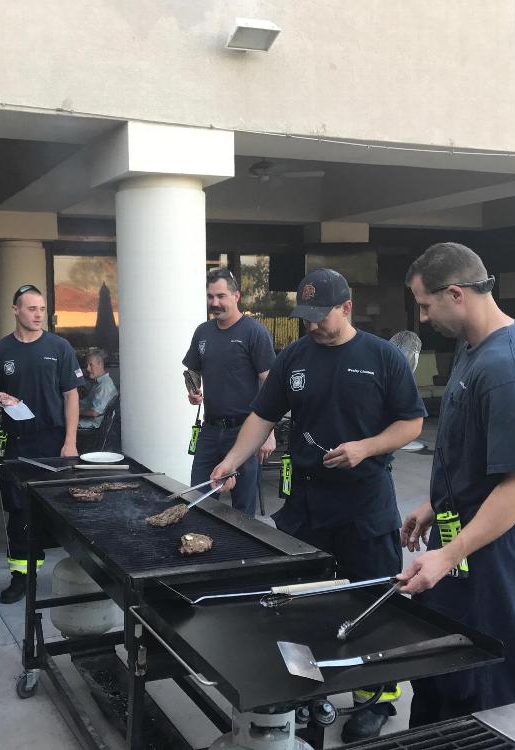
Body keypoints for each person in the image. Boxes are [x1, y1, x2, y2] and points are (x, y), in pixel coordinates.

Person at [210, 268, 426, 741]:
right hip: (308, 502)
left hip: (365, 501)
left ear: (346, 308)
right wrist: (231, 461)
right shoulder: (295, 357)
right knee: (303, 601)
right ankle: (310, 689)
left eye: (320, 315)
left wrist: (366, 447)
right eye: (305, 316)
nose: (311, 324)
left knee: (372, 600)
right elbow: (262, 415)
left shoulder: (382, 356)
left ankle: (375, 698)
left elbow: (411, 423)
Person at [397, 242, 515, 725]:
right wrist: (434, 503)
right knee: (443, 675)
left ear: (456, 293)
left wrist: (448, 554)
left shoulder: (506, 367)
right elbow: (478, 455)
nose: (423, 318)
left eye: (426, 305)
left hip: (488, 559)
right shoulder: (473, 349)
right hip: (460, 540)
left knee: (485, 691)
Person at [0, 284, 83, 604]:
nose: (38, 315)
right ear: (16, 310)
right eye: (31, 309)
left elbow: (71, 395)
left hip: (54, 439)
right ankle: (21, 577)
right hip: (17, 441)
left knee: (63, 507)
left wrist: (70, 442)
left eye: (41, 309)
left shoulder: (59, 347)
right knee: (19, 512)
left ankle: (78, 573)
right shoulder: (0, 351)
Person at [182, 268, 276, 517]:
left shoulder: (254, 332)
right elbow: (192, 370)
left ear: (236, 296)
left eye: (221, 296)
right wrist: (192, 390)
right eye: (211, 296)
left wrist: (268, 433)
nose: (215, 303)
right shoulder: (202, 332)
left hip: (244, 432)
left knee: (242, 510)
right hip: (209, 431)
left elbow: (271, 386)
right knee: (199, 501)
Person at [78, 349, 117, 429]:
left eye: (91, 365)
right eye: (87, 365)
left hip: (94, 424)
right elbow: (87, 402)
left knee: (63, 424)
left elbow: (95, 413)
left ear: (100, 364)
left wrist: (75, 412)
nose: (88, 369)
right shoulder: (98, 383)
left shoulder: (104, 386)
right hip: (91, 420)